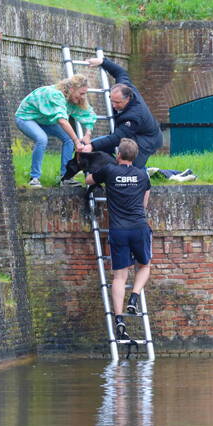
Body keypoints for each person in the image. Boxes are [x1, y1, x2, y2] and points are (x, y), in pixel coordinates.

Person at [86, 138, 152, 340]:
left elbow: (89, 180)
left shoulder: (109, 171)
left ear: (118, 155)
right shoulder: (142, 175)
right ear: (134, 157)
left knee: (119, 277)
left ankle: (119, 320)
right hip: (139, 227)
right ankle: (134, 297)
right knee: (145, 266)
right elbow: (144, 204)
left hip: (118, 230)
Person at [15, 74, 96, 187]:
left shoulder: (75, 99)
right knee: (42, 139)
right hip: (26, 118)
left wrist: (87, 134)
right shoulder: (55, 94)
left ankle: (65, 177)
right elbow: (62, 120)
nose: (83, 97)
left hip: (45, 120)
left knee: (68, 139)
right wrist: (77, 141)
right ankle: (34, 178)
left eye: (85, 94)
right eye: (81, 93)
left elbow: (89, 115)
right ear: (72, 89)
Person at [83, 55, 163, 169]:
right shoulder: (125, 86)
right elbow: (121, 72)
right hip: (132, 134)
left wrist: (93, 145)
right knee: (97, 149)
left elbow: (117, 138)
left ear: (128, 99)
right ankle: (103, 172)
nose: (114, 106)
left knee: (130, 165)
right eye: (112, 101)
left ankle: (157, 175)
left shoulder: (134, 116)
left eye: (118, 103)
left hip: (147, 139)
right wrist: (102, 61)